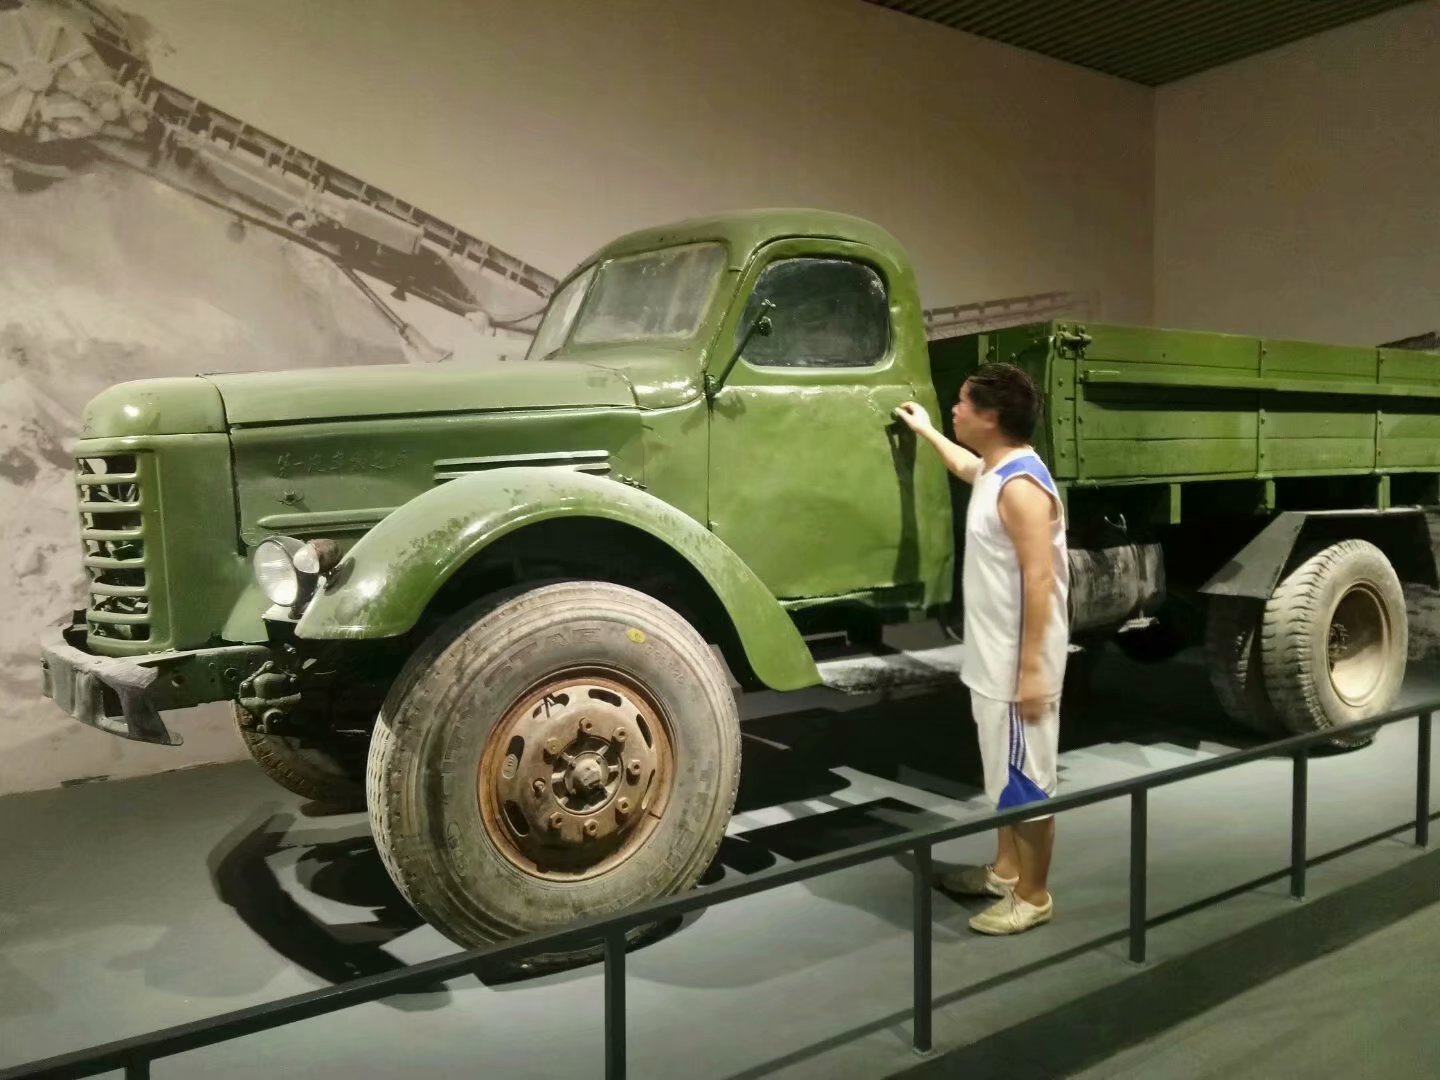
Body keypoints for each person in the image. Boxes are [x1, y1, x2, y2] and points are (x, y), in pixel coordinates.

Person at [895, 362, 1069, 935]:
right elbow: (967, 466)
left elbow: (1040, 579)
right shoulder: (997, 467)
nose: (955, 408)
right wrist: (926, 431)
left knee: (1027, 782)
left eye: (963, 403)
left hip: (1018, 664)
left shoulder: (1021, 488)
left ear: (991, 417)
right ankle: (1005, 872)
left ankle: (1033, 896)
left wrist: (1031, 673)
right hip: (995, 659)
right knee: (1003, 771)